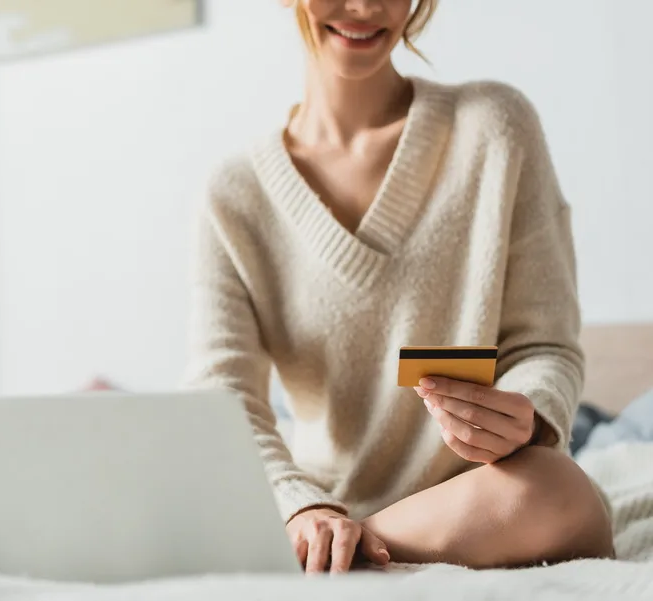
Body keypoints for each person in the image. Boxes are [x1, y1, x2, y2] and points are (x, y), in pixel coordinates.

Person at [184, 0, 615, 574]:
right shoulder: (234, 194)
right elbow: (223, 397)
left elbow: (545, 347)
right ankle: (335, 550)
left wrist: (529, 415)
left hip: (485, 499)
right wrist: (299, 506)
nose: (365, 7)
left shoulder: (496, 126)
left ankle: (344, 558)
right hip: (321, 511)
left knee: (557, 489)